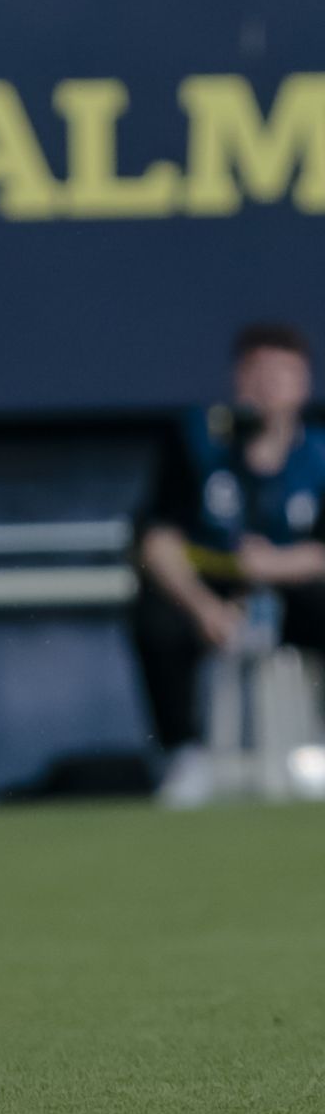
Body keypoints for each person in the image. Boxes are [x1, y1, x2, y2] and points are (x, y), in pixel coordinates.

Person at [135, 322, 325, 805]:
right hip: (211, 584)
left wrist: (276, 566)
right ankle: (185, 753)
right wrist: (203, 608)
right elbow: (157, 540)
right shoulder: (197, 441)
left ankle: (315, 748)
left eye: (282, 374)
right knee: (157, 617)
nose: (268, 386)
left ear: (304, 383)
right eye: (256, 373)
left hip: (293, 582)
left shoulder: (319, 455)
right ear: (237, 379)